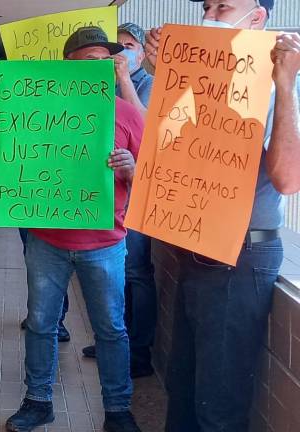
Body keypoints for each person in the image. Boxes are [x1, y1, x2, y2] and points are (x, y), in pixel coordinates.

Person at [143, 1, 300, 430]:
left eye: (223, 5)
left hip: (240, 257)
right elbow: (177, 147)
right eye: (208, 6)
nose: (211, 14)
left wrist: (285, 84)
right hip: (195, 247)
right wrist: (165, 74)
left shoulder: (276, 82)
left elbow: (287, 179)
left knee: (219, 404)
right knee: (185, 388)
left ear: (257, 17)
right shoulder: (206, 76)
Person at [0, 27, 145, 432]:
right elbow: (13, 159)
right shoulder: (34, 110)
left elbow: (156, 178)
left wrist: (131, 168)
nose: (99, 69)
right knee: (40, 323)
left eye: (104, 62)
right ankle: (37, 401)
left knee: (111, 328)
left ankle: (118, 409)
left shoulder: (126, 113)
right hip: (47, 240)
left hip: (106, 243)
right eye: (87, 62)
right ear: (67, 67)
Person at [81, 23, 157, 380]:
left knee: (137, 274)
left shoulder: (148, 83)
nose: (120, 53)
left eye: (129, 46)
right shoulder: (97, 86)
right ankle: (115, 339)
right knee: (119, 280)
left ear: (140, 53)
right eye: (118, 47)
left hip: (137, 201)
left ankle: (138, 351)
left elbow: (145, 133)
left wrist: (124, 79)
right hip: (104, 203)